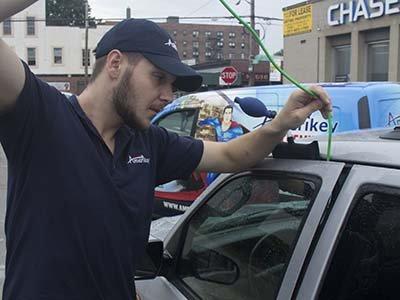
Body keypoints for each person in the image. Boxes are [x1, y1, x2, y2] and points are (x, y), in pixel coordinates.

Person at [0, 1, 331, 299]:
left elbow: (233, 156)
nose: (168, 95)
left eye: (172, 84)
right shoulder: (42, 116)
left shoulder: (149, 143)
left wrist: (283, 122)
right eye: (158, 77)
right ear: (115, 64)